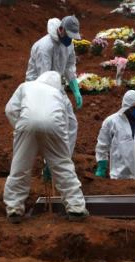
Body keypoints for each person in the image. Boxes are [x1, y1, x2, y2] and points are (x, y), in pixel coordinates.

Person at [3, 71, 88, 223]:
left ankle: (14, 209)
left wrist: (21, 128)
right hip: (54, 126)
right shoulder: (60, 95)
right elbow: (70, 124)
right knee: (63, 166)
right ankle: (76, 208)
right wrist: (63, 152)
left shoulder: (25, 86)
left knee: (20, 167)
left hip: (26, 123)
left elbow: (10, 110)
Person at [26, 15, 83, 158]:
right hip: (38, 90)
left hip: (57, 87)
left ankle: (63, 160)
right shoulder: (44, 47)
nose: (70, 40)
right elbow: (44, 76)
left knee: (71, 123)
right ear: (61, 29)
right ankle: (50, 162)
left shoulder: (68, 44)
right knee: (51, 126)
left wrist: (75, 88)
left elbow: (69, 66)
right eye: (69, 36)